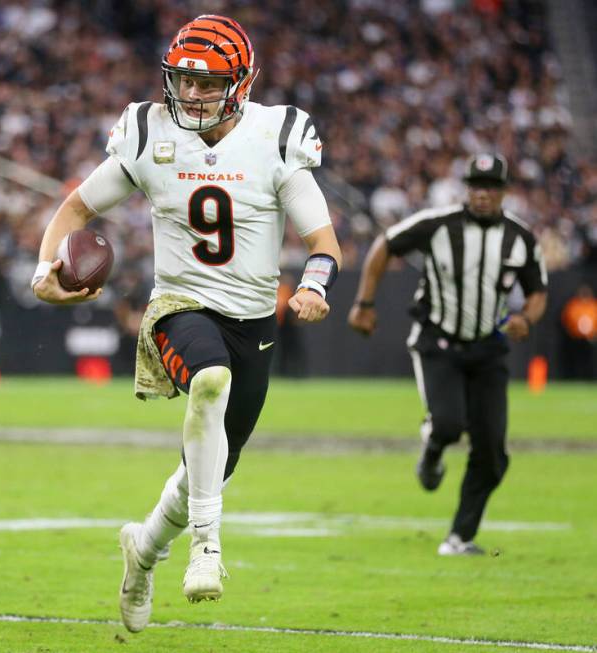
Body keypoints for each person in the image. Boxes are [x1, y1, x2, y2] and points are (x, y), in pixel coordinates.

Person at [31, 15, 341, 632]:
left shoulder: (276, 136)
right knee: (208, 381)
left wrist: (313, 284)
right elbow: (77, 206)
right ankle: (207, 546)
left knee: (210, 463)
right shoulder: (149, 133)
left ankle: (144, 551)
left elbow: (322, 239)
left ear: (243, 82)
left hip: (253, 320)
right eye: (184, 83)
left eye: (209, 84)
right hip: (179, 306)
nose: (193, 96)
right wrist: (44, 271)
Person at [348, 153, 548, 556]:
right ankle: (434, 449)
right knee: (450, 423)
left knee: (492, 452)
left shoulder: (520, 237)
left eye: (491, 187)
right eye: (476, 186)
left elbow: (538, 291)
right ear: (466, 189)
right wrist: (365, 303)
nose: (483, 195)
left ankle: (459, 537)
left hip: (488, 347)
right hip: (437, 341)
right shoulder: (437, 224)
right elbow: (384, 246)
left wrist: (527, 317)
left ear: (504, 192)